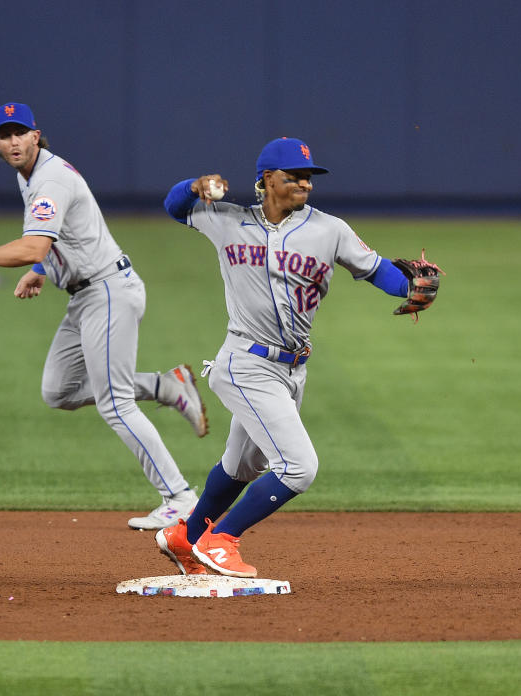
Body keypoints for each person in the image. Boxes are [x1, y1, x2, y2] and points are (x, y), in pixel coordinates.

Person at [155, 137, 442, 576]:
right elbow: (174, 207)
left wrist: (410, 287)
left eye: (309, 177)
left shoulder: (330, 229)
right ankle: (221, 539)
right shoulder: (227, 220)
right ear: (267, 180)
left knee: (242, 466)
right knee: (298, 468)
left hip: (291, 371)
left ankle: (187, 537)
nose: (305, 185)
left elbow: (376, 268)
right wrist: (194, 185)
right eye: (294, 177)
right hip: (245, 363)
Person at [0, 101, 209, 530]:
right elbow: (61, 238)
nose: (14, 141)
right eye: (5, 135)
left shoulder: (49, 178)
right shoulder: (33, 176)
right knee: (58, 390)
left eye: (22, 133)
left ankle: (180, 497)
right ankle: (167, 385)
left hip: (108, 292)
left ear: (36, 136)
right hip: (87, 295)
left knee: (115, 404)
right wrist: (41, 271)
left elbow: (33, 245)